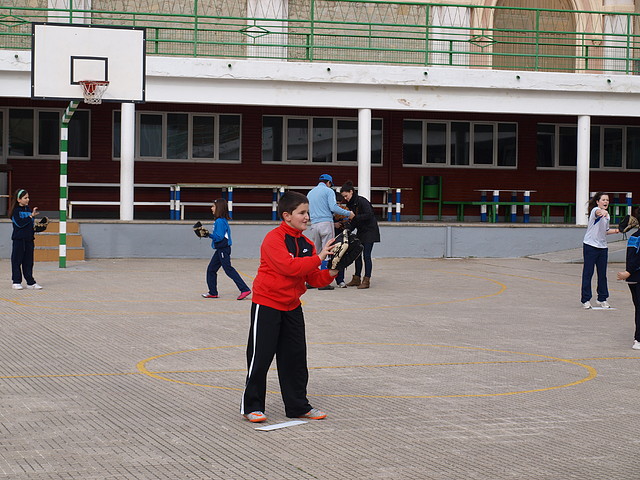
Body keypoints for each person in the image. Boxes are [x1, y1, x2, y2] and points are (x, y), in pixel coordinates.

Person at [241, 191, 339, 423]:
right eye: (302, 213)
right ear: (287, 216)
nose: (307, 217)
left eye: (307, 213)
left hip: (292, 306)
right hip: (267, 304)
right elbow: (289, 267)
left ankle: (297, 406)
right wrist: (320, 256)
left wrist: (333, 269)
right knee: (260, 357)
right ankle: (251, 406)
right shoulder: (273, 239)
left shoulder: (306, 243)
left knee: (295, 358)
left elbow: (313, 278)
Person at [306, 173, 354, 290]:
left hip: (314, 224)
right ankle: (322, 282)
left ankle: (312, 281)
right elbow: (333, 207)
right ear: (329, 183)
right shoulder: (328, 191)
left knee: (316, 253)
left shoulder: (310, 193)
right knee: (327, 252)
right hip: (326, 224)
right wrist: (349, 213)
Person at [201, 198, 251, 300]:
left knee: (228, 269)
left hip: (223, 249)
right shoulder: (221, 220)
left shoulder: (219, 221)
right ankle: (213, 292)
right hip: (221, 250)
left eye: (213, 206)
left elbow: (219, 237)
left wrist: (208, 235)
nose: (211, 208)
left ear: (218, 208)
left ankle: (244, 289)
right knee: (211, 270)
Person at [580, 192, 619, 309]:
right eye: (603, 200)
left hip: (602, 247)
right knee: (588, 273)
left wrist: (618, 230)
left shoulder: (608, 216)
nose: (606, 202)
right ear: (598, 202)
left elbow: (605, 231)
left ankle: (602, 298)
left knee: (602, 274)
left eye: (607, 200)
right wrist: (603, 212)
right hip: (590, 246)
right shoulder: (595, 211)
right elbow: (599, 213)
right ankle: (585, 299)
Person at [340, 180, 380, 289]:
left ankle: (366, 280)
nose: (345, 198)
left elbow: (369, 214)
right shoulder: (350, 203)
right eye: (344, 197)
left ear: (351, 192)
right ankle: (356, 278)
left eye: (346, 196)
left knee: (366, 255)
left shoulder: (362, 201)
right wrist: (347, 228)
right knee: (357, 255)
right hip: (361, 231)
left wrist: (355, 218)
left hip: (370, 231)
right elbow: (354, 221)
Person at [10, 188, 42, 290]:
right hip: (19, 240)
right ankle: (16, 281)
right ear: (19, 199)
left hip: (29, 240)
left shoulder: (28, 210)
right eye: (25, 198)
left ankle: (30, 282)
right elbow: (19, 224)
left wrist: (39, 227)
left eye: (28, 197)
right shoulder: (15, 211)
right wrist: (30, 216)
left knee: (28, 262)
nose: (28, 199)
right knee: (16, 261)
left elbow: (29, 225)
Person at [617, 210, 640, 350]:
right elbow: (635, 258)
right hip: (636, 278)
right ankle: (638, 339)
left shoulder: (634, 236)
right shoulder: (636, 237)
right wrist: (628, 272)